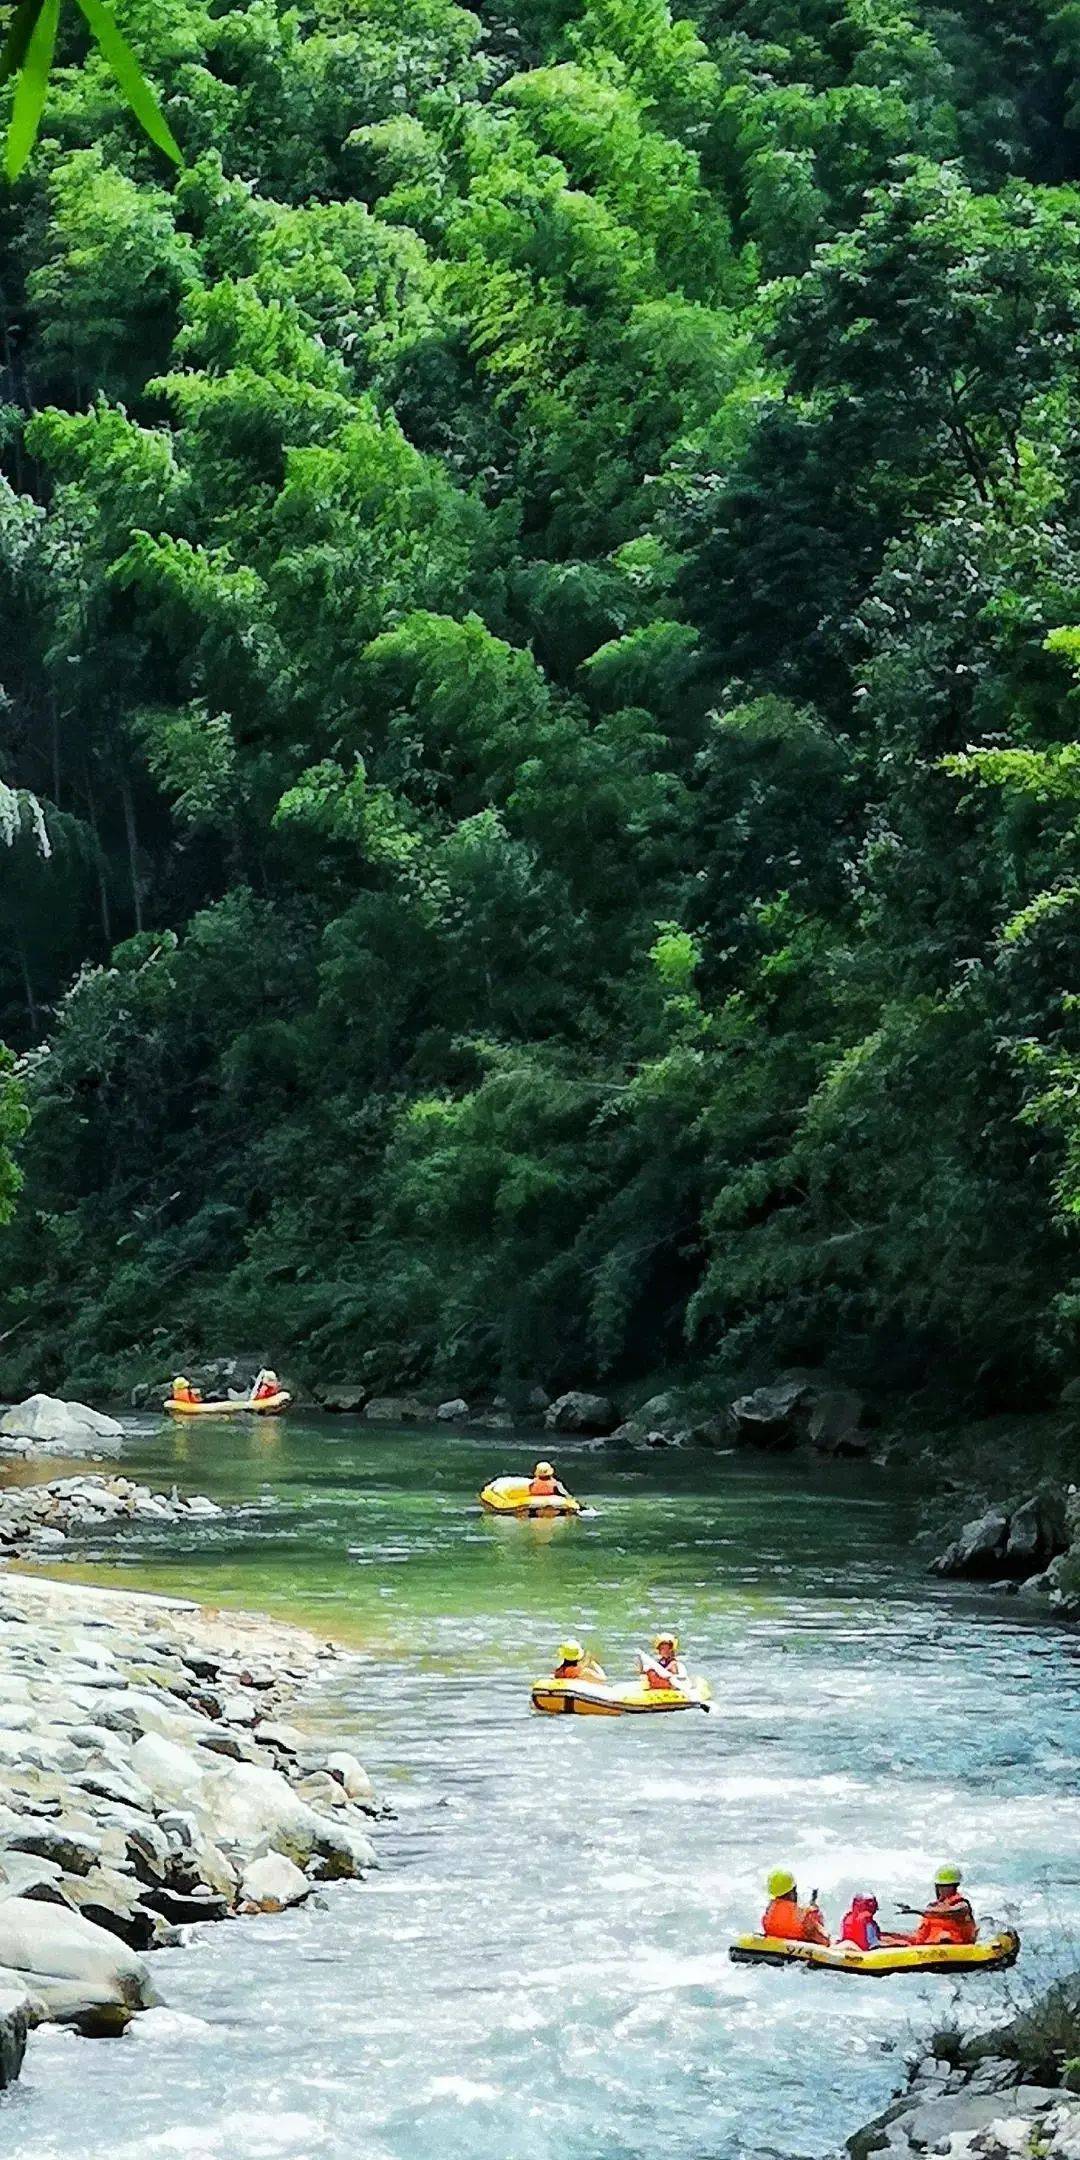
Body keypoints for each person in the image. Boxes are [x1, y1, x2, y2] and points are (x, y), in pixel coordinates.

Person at [896, 1866, 977, 1946]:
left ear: (955, 1886)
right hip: (928, 1945)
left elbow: (944, 1913)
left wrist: (913, 1910)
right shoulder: (933, 1906)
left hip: (954, 1946)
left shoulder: (962, 1906)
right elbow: (920, 1935)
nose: (940, 1889)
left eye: (945, 1886)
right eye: (939, 1886)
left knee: (944, 1936)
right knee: (890, 1938)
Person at [761, 1869, 830, 1946]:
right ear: (793, 1890)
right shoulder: (806, 1915)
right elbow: (825, 1941)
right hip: (800, 1955)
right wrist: (817, 1918)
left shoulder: (768, 1913)